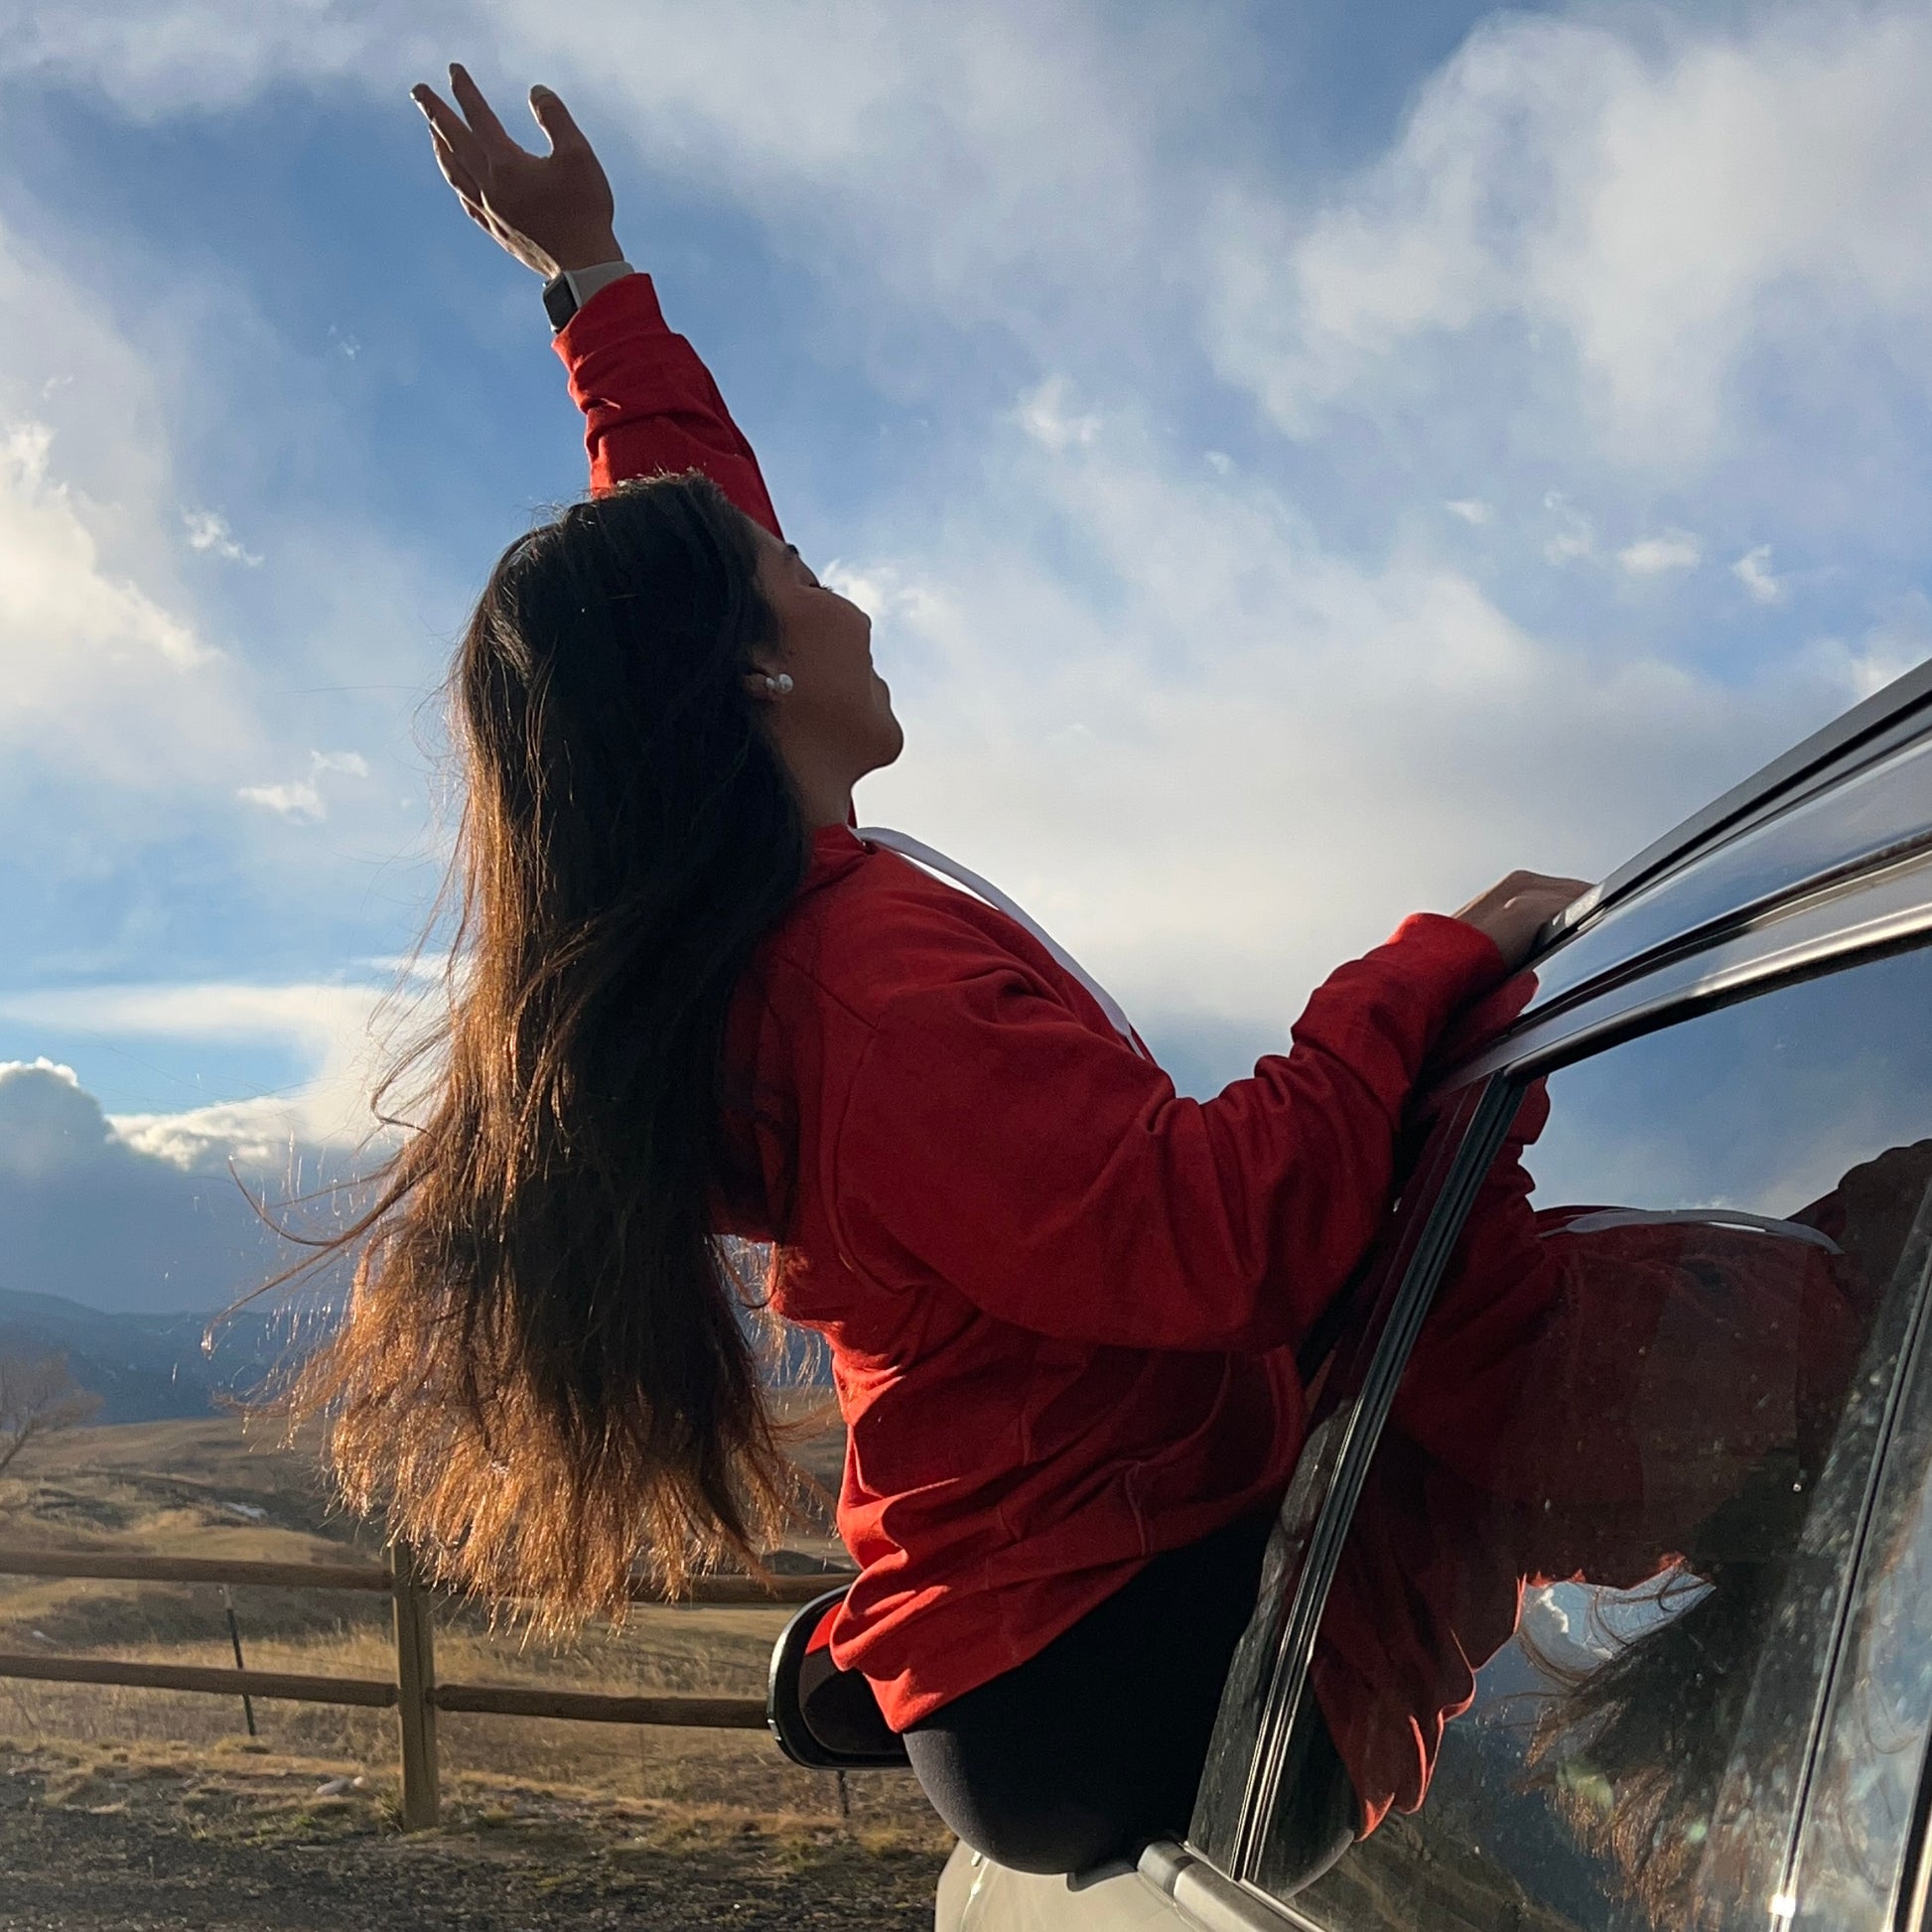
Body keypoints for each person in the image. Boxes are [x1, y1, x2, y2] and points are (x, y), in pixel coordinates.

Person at [288, 65, 1586, 1876]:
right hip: (1112, 1665)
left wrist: (589, 278)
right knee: (1529, 1358)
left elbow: (685, 535)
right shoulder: (862, 998)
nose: (852, 599)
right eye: (806, 575)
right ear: (746, 681)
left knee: (1431, 1319)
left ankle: (921, 1615)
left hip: (1060, 1619)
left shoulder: (766, 896)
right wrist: (1433, 964)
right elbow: (1224, 1230)